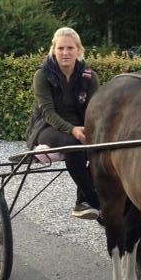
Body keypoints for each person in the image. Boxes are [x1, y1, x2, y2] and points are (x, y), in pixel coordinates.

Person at [26, 27, 101, 219]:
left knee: (103, 148)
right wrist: (73, 130)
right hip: (47, 127)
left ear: (78, 50)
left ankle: (83, 200)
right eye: (60, 48)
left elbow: (95, 111)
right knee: (75, 146)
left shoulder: (90, 77)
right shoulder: (42, 75)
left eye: (70, 48)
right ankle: (94, 201)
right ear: (53, 50)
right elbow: (48, 113)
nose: (65, 53)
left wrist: (92, 130)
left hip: (81, 127)